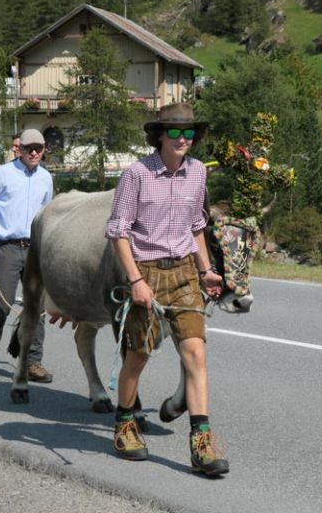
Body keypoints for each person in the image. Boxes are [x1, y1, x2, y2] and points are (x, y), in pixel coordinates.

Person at [104, 102, 229, 477]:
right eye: (175, 132)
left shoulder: (197, 174)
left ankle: (201, 444)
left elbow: (196, 226)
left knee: (196, 354)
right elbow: (118, 232)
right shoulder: (136, 176)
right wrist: (136, 281)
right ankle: (125, 424)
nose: (183, 139)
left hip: (186, 274)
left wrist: (206, 270)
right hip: (147, 272)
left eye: (189, 133)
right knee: (138, 355)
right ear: (159, 134)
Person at [0, 128, 53, 381]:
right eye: (29, 147)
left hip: (35, 250)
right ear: (19, 149)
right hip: (6, 248)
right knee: (1, 305)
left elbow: (47, 215)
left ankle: (33, 361)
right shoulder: (4, 174)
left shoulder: (46, 178)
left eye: (38, 148)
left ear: (43, 150)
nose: (33, 152)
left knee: (37, 308)